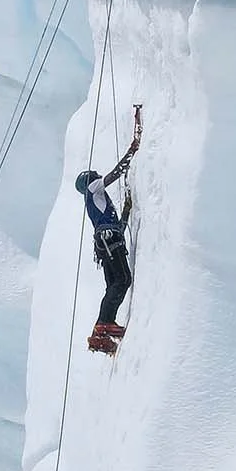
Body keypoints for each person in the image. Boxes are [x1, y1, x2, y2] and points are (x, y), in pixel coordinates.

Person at [75, 106, 142, 355]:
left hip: (107, 242)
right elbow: (113, 175)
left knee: (116, 282)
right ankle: (105, 323)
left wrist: (125, 210)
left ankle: (101, 330)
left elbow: (116, 227)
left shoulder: (99, 203)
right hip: (109, 241)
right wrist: (132, 151)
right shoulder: (93, 190)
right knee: (122, 280)